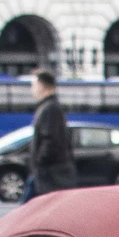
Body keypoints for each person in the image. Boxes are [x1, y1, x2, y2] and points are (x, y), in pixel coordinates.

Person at [25, 70, 76, 200]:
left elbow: (50, 139)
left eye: (34, 85)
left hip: (48, 173)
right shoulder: (50, 107)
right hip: (46, 172)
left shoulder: (49, 108)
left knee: (27, 211)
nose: (32, 89)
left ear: (42, 85)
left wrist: (40, 162)